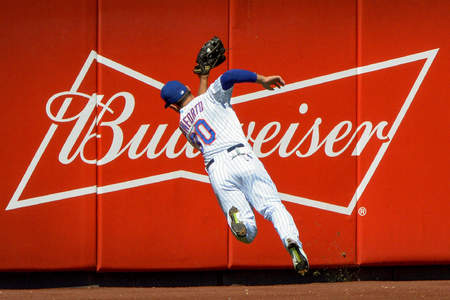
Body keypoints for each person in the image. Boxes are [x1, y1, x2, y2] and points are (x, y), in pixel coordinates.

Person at [160, 69, 309, 274]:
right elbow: (230, 76)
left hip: (217, 169)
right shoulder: (212, 95)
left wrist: (203, 79)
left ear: (173, 106)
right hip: (241, 157)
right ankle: (291, 241)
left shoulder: (183, 124)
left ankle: (238, 220)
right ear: (186, 88)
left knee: (248, 234)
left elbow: (198, 107)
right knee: (273, 207)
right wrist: (262, 79)